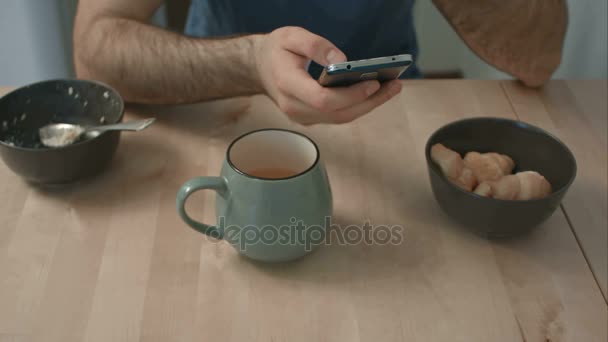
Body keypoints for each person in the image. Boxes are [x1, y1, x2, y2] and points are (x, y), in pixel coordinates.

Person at [74, 0, 567, 125]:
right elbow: (95, 47)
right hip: (221, 107)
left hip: (390, 115)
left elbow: (539, 55)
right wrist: (250, 63)